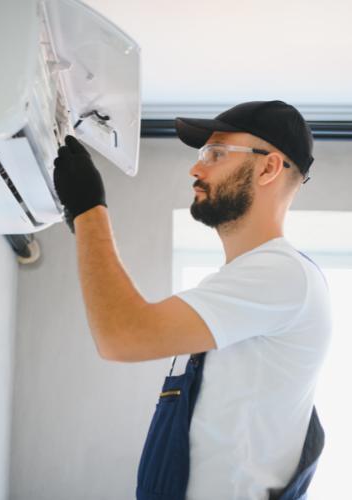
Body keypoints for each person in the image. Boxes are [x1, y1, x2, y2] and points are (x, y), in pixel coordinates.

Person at [52, 101, 332, 500]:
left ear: (268, 168)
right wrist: (85, 222)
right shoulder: (238, 284)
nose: (196, 169)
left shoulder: (283, 274)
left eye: (215, 154)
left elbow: (122, 335)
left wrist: (89, 211)